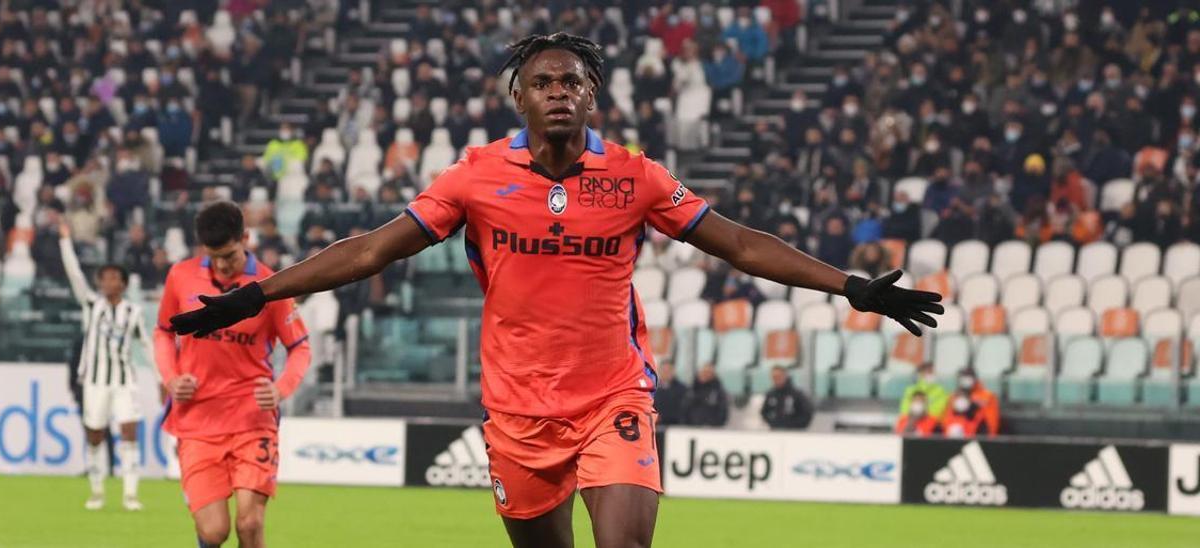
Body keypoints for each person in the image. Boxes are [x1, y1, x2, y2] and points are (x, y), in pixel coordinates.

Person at [168, 33, 941, 548]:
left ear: (592, 95)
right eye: (543, 82)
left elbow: (738, 242)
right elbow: (372, 249)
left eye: (572, 80)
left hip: (614, 398)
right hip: (518, 413)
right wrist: (257, 293)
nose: (559, 91)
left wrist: (853, 288)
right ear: (521, 99)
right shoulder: (475, 176)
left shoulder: (637, 176)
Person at [154, 202, 313, 547]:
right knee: (214, 531)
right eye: (214, 256)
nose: (223, 264)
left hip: (251, 418)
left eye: (229, 254)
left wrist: (281, 388)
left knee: (250, 523)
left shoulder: (270, 285)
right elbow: (163, 333)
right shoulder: (181, 277)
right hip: (197, 420)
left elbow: (300, 346)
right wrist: (170, 378)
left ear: (246, 238)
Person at [59, 223, 155, 512]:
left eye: (113, 277)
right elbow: (75, 275)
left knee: (129, 433)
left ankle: (130, 494)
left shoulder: (133, 313)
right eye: (103, 278)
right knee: (95, 435)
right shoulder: (91, 305)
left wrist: (163, 376)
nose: (107, 282)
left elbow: (147, 346)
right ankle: (97, 491)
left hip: (125, 381)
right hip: (95, 381)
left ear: (123, 284)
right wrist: (66, 242)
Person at [956, 368, 1000, 436]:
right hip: (958, 436)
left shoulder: (988, 396)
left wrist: (973, 405)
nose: (965, 381)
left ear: (975, 378)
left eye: (968, 377)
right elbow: (949, 419)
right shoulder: (955, 397)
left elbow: (991, 422)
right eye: (963, 378)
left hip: (980, 436)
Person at [652, 361, 687, 426]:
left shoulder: (682, 389)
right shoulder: (651, 388)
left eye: (669, 370)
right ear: (659, 371)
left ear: (673, 371)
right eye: (664, 370)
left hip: (675, 425)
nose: (666, 373)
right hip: (655, 425)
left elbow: (683, 409)